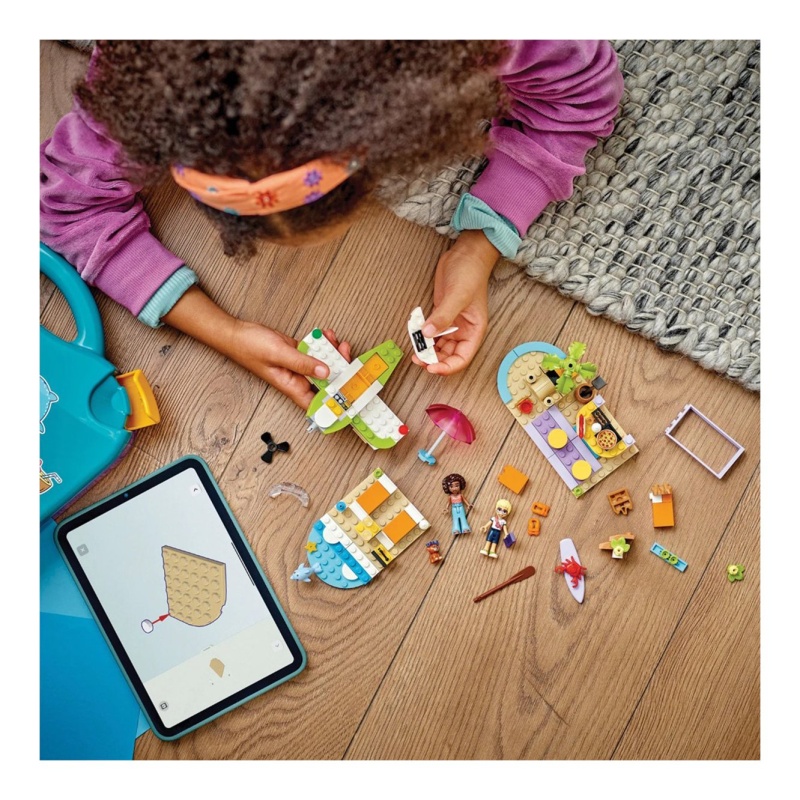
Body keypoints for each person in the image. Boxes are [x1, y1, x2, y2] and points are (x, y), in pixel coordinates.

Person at [40, 41, 624, 408]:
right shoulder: (146, 62)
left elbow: (581, 94)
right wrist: (224, 332)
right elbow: (67, 206)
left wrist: (481, 241)